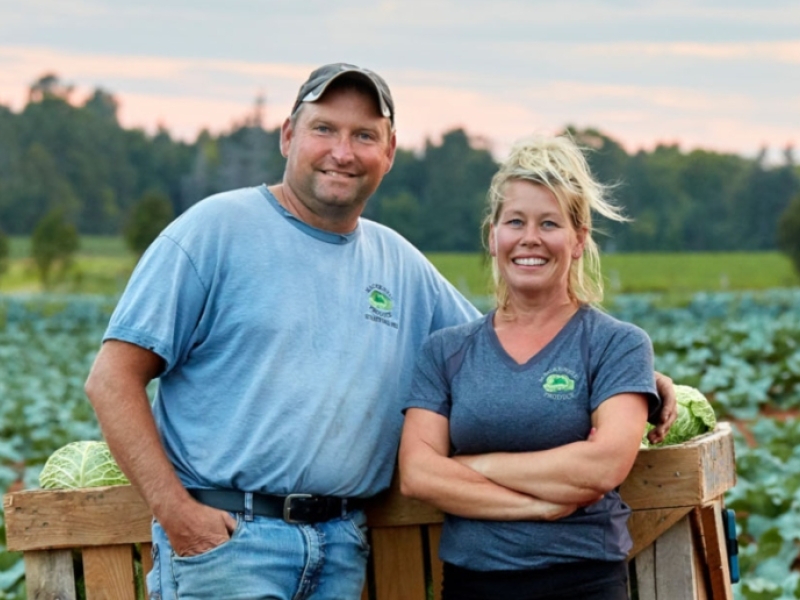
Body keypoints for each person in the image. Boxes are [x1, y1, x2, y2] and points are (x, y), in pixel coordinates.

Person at [85, 64, 676, 600]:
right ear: (288, 136)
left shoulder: (397, 263)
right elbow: (111, 381)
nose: (343, 151)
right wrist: (177, 514)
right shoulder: (214, 230)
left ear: (388, 152)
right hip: (231, 544)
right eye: (325, 129)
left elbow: (502, 344)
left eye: (364, 135)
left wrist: (632, 378)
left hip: (340, 548)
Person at [399, 134, 663, 600]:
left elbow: (602, 467)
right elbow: (419, 474)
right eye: (515, 221)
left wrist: (473, 465)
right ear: (493, 236)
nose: (530, 239)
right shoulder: (447, 351)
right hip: (474, 584)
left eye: (550, 224)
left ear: (579, 240)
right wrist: (540, 507)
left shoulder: (616, 344)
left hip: (584, 582)